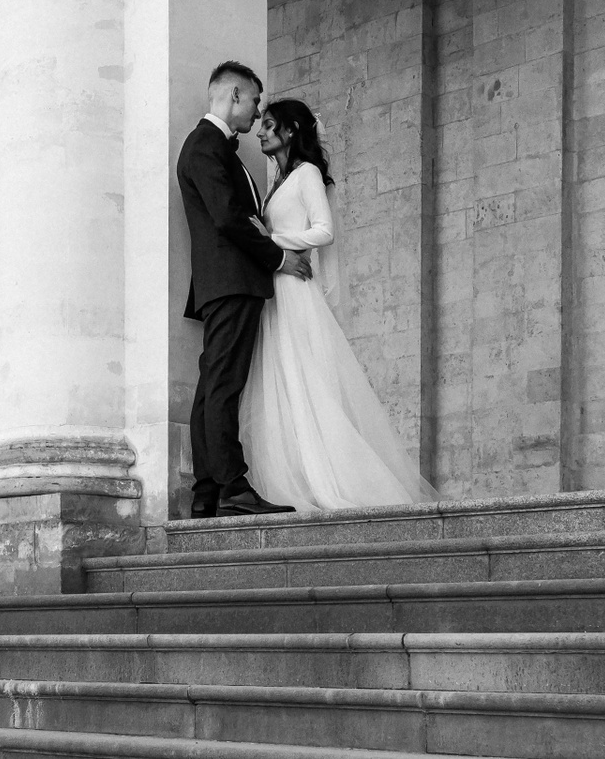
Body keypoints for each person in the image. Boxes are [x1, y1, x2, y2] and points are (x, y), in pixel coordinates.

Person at [239, 98, 436, 511]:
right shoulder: (278, 181)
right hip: (276, 289)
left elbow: (324, 231)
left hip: (294, 291)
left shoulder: (308, 173)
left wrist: (271, 240)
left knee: (306, 383)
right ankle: (295, 477)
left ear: (291, 130)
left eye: (269, 125)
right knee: (284, 386)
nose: (260, 131)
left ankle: (330, 479)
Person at [177, 61, 312, 519]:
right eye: (255, 100)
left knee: (213, 384)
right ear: (234, 95)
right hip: (231, 280)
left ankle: (208, 490)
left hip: (225, 282)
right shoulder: (206, 145)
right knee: (224, 385)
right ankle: (232, 487)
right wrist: (278, 257)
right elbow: (229, 217)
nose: (257, 112)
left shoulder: (214, 147)